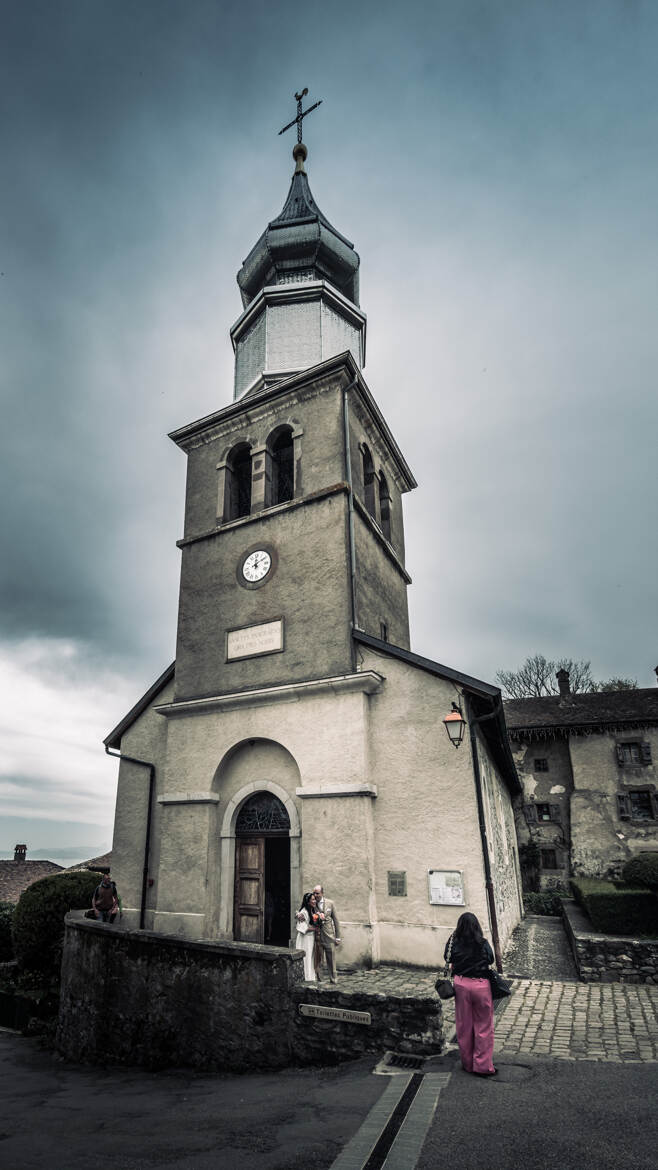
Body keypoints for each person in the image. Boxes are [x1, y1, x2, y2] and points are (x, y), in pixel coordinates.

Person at [444, 912, 496, 1076]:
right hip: (480, 985)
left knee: (464, 1025)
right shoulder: (482, 943)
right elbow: (490, 959)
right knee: (484, 1026)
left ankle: (467, 1063)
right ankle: (482, 1065)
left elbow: (446, 956)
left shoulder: (454, 942)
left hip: (461, 984)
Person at [312, 884, 341, 984]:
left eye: (317, 893)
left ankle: (334, 979)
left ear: (322, 893)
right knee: (319, 960)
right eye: (314, 893)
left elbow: (336, 921)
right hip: (317, 936)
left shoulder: (330, 903)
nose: (315, 895)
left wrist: (338, 937)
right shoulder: (312, 904)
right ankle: (320, 980)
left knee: (331, 959)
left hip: (329, 936)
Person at [295, 892, 322, 981]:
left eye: (315, 899)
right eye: (313, 899)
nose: (315, 901)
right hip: (305, 939)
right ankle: (306, 977)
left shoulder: (313, 910)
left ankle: (311, 976)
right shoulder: (303, 912)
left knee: (311, 957)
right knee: (306, 957)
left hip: (311, 938)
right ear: (308, 901)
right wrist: (315, 928)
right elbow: (303, 928)